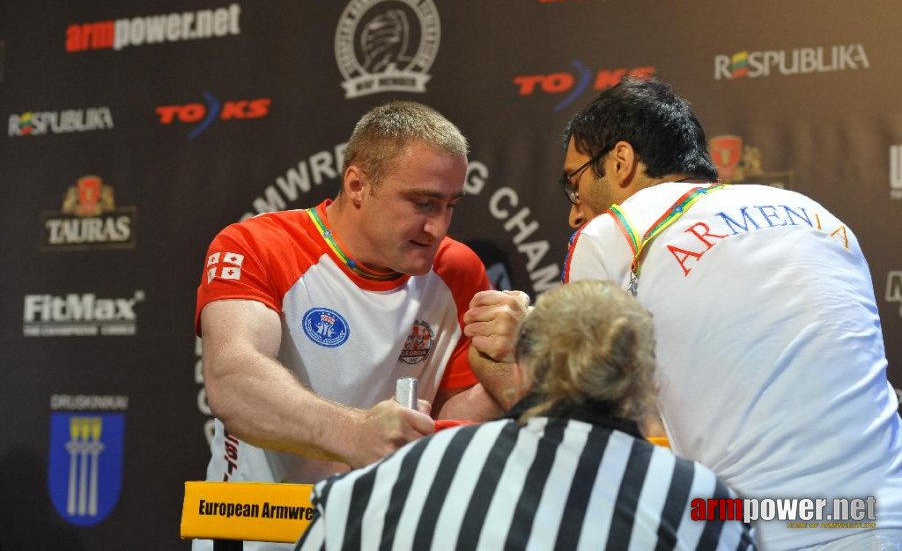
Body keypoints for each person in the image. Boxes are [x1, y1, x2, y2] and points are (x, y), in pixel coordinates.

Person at [466, 77, 902, 550]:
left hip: (753, 525)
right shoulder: (816, 214)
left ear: (621, 161)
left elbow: (583, 430)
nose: (574, 214)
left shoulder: (616, 232)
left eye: (574, 185)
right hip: (885, 512)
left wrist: (510, 350)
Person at [194, 101, 502, 550]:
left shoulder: (457, 269)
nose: (438, 227)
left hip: (380, 534)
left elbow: (452, 421)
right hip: (257, 534)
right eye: (422, 203)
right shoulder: (257, 244)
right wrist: (354, 434)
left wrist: (512, 363)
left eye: (450, 205)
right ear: (357, 184)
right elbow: (232, 380)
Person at [295, 280, 755, 551]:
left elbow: (327, 525)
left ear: (519, 371)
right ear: (648, 385)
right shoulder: (703, 501)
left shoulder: (395, 475)